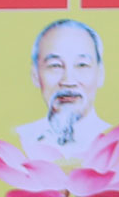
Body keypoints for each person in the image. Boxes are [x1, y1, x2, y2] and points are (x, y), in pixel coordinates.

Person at [16, 19, 110, 159]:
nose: (68, 81)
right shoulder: (19, 139)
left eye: (82, 65)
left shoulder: (116, 140)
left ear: (100, 74)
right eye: (55, 65)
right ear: (35, 75)